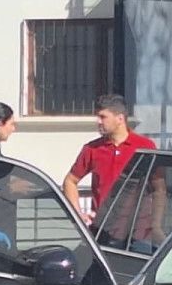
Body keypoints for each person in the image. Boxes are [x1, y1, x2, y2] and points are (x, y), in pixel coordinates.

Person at [62, 94, 156, 228]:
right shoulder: (92, 149)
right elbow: (70, 181)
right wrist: (78, 214)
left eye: (103, 117)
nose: (98, 122)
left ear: (120, 119)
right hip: (102, 228)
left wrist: (157, 224)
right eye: (98, 117)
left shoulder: (145, 146)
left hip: (137, 229)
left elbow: (159, 187)